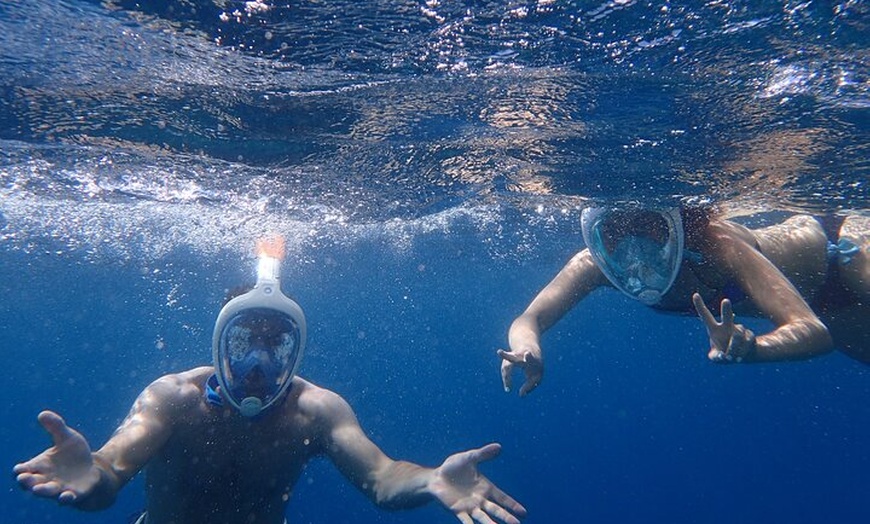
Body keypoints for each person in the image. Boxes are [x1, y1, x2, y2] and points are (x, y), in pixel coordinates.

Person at [14, 237, 527, 524]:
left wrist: (431, 479)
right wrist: (91, 479)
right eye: (243, 344)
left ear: (295, 348)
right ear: (218, 342)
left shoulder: (316, 411)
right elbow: (109, 472)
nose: (258, 365)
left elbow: (382, 478)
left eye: (275, 345)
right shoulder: (173, 400)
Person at [499, 204, 869, 396]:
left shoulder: (721, 248)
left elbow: (810, 330)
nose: (634, 253)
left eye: (646, 228)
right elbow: (528, 319)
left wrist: (755, 347)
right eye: (614, 234)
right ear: (598, 236)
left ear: (678, 225)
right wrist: (527, 349)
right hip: (829, 305)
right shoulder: (595, 264)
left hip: (847, 254)